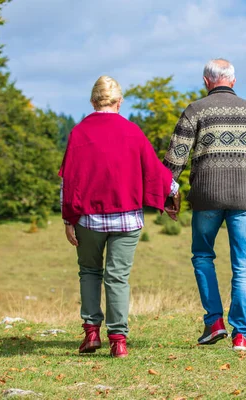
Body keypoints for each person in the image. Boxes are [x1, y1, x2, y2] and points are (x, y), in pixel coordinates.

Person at [163, 59, 246, 351]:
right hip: (244, 199)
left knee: (203, 256)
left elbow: (174, 159)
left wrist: (169, 196)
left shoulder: (194, 111)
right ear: (233, 80)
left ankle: (214, 322)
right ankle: (240, 335)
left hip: (206, 197)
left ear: (207, 81)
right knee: (242, 267)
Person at [59, 76, 180, 358]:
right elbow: (154, 169)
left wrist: (68, 219)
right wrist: (173, 192)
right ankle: (118, 341)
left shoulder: (79, 133)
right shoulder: (132, 131)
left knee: (89, 272)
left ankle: (91, 333)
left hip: (88, 219)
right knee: (118, 277)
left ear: (92, 102)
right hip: (126, 219)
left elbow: (69, 180)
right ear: (119, 102)